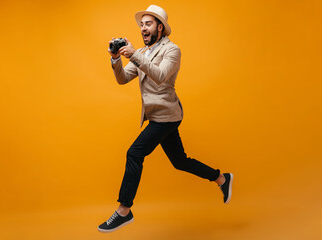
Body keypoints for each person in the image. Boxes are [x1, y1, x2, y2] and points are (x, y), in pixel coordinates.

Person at [98, 5, 233, 233]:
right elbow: (122, 79)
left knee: (134, 153)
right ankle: (221, 178)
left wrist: (135, 55)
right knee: (180, 161)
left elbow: (160, 76)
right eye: (141, 24)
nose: (143, 28)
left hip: (168, 115)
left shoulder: (172, 50)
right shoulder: (143, 52)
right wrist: (115, 59)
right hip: (156, 116)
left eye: (148, 24)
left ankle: (124, 210)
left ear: (160, 27)